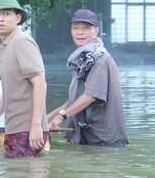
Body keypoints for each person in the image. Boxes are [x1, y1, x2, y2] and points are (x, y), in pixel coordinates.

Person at [0, 0, 49, 158]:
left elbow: (40, 83)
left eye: (6, 14)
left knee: (20, 177)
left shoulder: (21, 42)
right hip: (14, 127)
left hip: (27, 129)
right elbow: (11, 90)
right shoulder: (4, 46)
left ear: (18, 18)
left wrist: (36, 125)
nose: (0, 19)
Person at [47, 9, 129, 146]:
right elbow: (78, 97)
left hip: (104, 141)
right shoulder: (86, 58)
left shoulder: (99, 60)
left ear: (96, 31)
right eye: (76, 28)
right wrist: (50, 116)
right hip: (89, 136)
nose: (80, 32)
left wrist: (61, 115)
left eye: (85, 28)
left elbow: (90, 96)